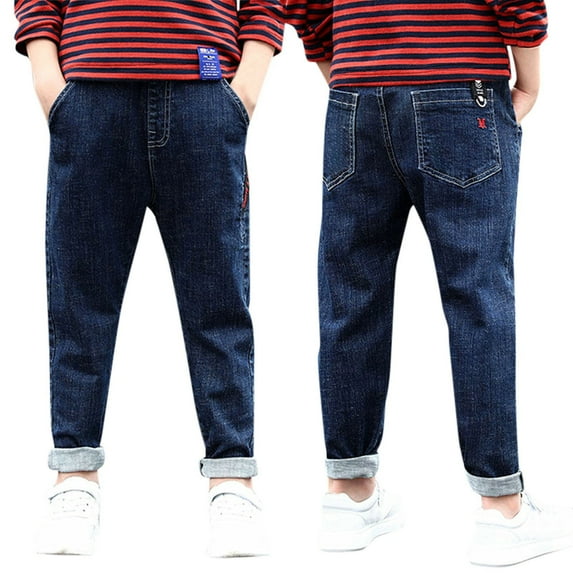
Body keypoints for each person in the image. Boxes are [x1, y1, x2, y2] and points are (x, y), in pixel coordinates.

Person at [285, 0, 573, 565]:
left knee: (350, 295)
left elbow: (304, 5)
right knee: (477, 298)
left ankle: (348, 494)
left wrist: (350, 77)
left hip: (355, 97)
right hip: (458, 89)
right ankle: (502, 509)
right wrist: (530, 81)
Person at [14, 0, 283, 557]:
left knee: (218, 302)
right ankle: (75, 477)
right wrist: (48, 80)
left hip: (203, 92)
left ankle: (232, 480)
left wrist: (245, 90)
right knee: (80, 300)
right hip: (89, 94)